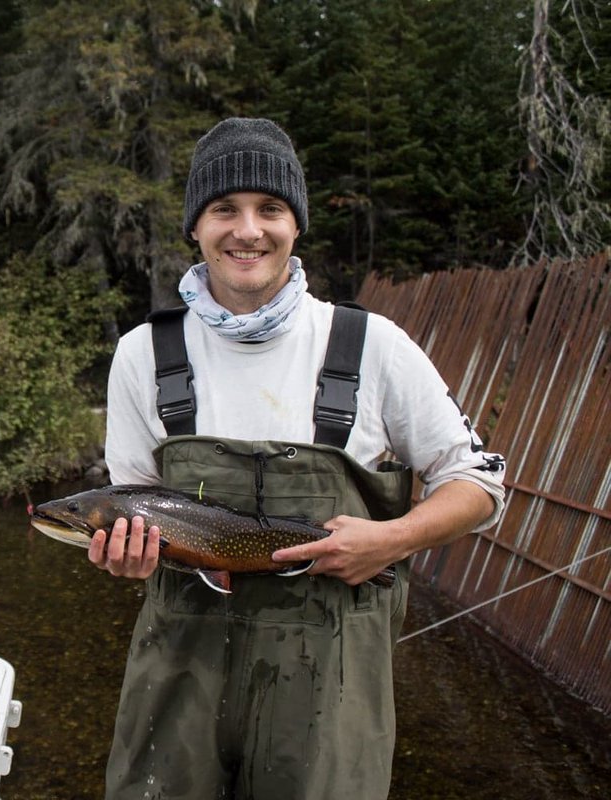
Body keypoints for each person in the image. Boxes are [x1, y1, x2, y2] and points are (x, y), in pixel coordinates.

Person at [91, 117, 507, 800]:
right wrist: (123, 555)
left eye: (269, 209)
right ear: (195, 226)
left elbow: (481, 483)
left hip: (330, 689)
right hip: (178, 678)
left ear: (296, 225)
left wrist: (393, 539)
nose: (247, 230)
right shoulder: (144, 353)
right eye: (225, 209)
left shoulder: (372, 345)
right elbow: (133, 505)